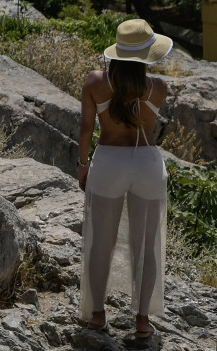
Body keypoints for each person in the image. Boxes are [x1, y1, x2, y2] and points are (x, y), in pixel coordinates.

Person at [77, 18, 173, 339]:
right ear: (148, 55)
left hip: (108, 162)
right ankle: (142, 323)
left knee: (100, 243)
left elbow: (86, 129)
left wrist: (83, 165)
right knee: (146, 246)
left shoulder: (95, 82)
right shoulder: (158, 88)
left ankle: (97, 315)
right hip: (147, 163)